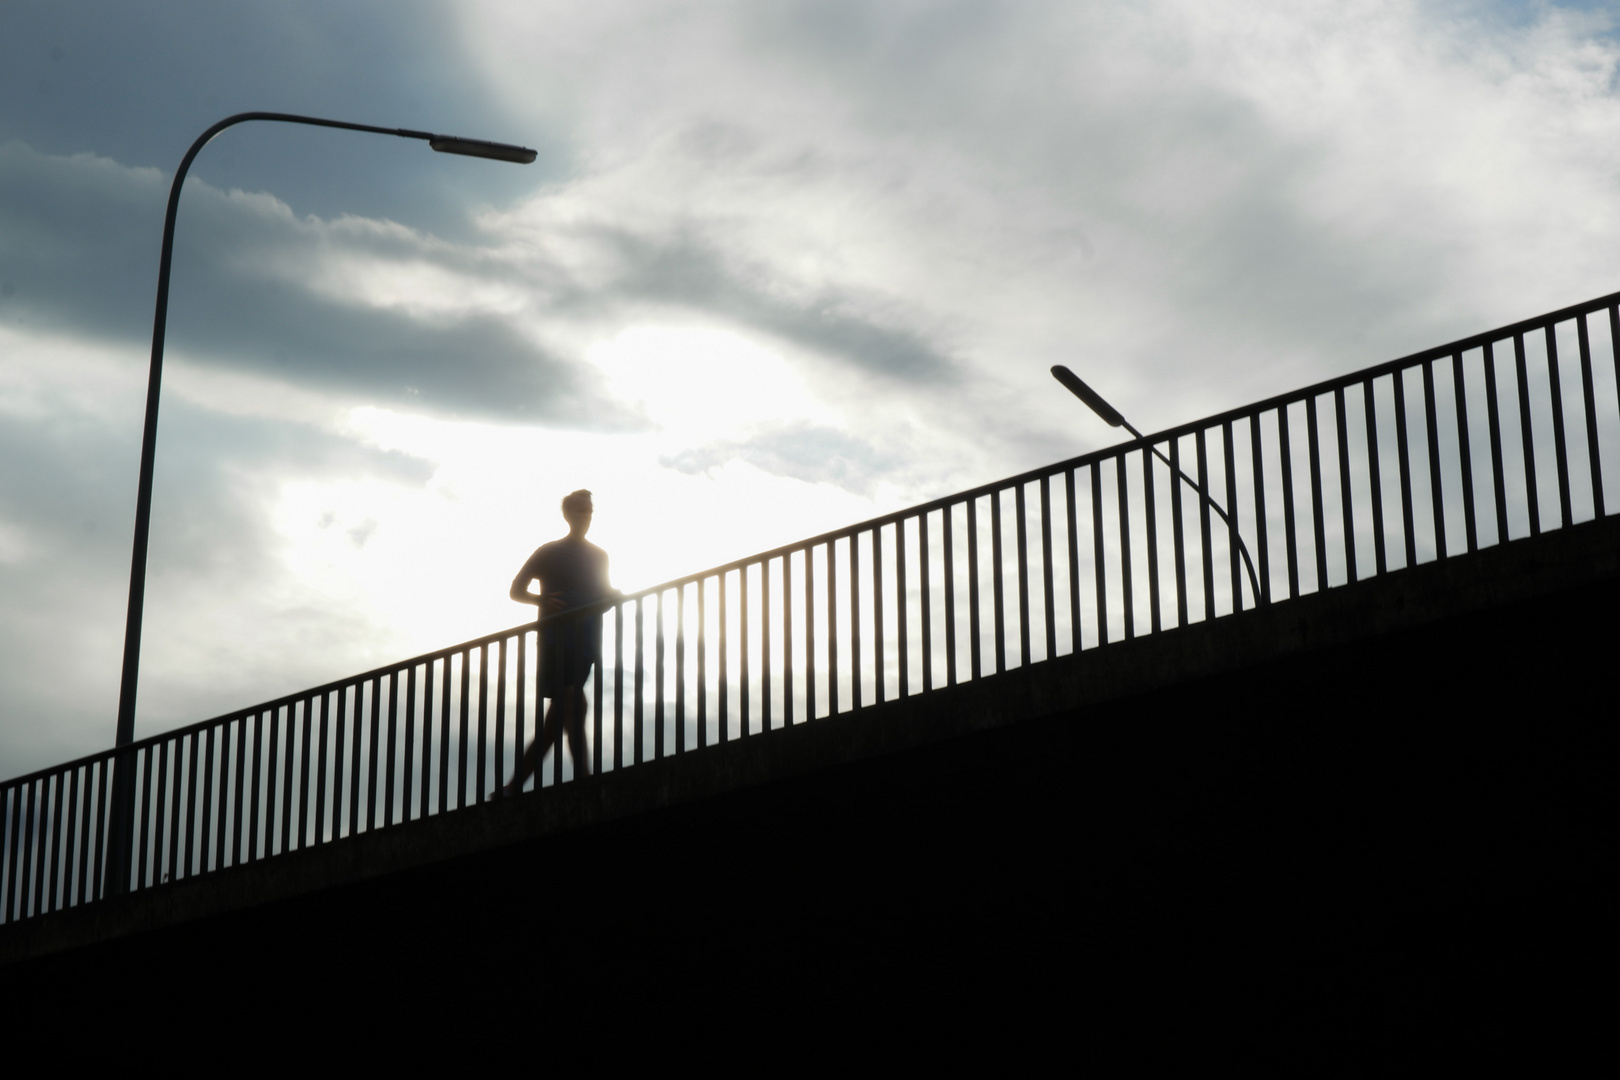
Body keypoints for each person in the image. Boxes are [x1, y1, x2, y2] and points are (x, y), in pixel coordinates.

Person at [499, 489, 614, 794]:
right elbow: (516, 590)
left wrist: (612, 597)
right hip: (555, 640)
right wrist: (543, 600)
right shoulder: (548, 552)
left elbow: (601, 597)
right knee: (576, 701)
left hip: (586, 643)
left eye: (588, 511)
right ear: (567, 514)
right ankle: (584, 777)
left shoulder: (599, 555)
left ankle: (512, 787)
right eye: (578, 510)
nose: (584, 516)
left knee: (557, 722)